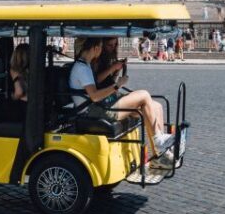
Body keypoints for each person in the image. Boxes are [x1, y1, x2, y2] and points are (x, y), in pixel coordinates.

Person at [68, 38, 173, 166]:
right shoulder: (82, 68)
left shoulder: (85, 65)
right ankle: (159, 143)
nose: (101, 51)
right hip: (95, 110)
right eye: (101, 47)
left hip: (100, 106)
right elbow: (95, 96)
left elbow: (97, 85)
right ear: (95, 48)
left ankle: (160, 154)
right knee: (144, 95)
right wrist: (117, 86)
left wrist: (115, 73)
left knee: (156, 106)